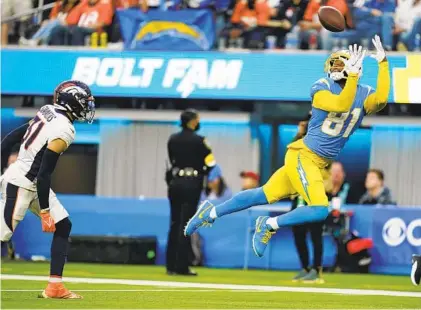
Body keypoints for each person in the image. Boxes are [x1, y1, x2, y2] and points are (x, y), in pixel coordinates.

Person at [185, 36, 390, 259]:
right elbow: (340, 104)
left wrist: (383, 64)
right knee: (320, 208)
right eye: (338, 64)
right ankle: (269, 224)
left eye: (345, 64)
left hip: (319, 163)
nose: (340, 68)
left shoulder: (362, 91)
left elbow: (381, 100)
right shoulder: (322, 87)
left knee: (261, 194)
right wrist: (351, 77)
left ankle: (211, 212)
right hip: (304, 156)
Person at [0, 80, 95, 299]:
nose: (87, 108)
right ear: (74, 103)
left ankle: (55, 287)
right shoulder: (65, 129)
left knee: (63, 225)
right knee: (1, 236)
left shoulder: (47, 110)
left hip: (27, 180)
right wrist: (44, 212)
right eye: (84, 102)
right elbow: (44, 174)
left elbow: (10, 139)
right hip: (23, 184)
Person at [166, 109, 216, 276]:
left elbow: (172, 160)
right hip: (192, 183)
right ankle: (182, 266)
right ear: (193, 121)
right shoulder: (200, 141)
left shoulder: (172, 139)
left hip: (175, 183)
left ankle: (170, 265)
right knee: (187, 224)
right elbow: (211, 163)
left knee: (174, 223)